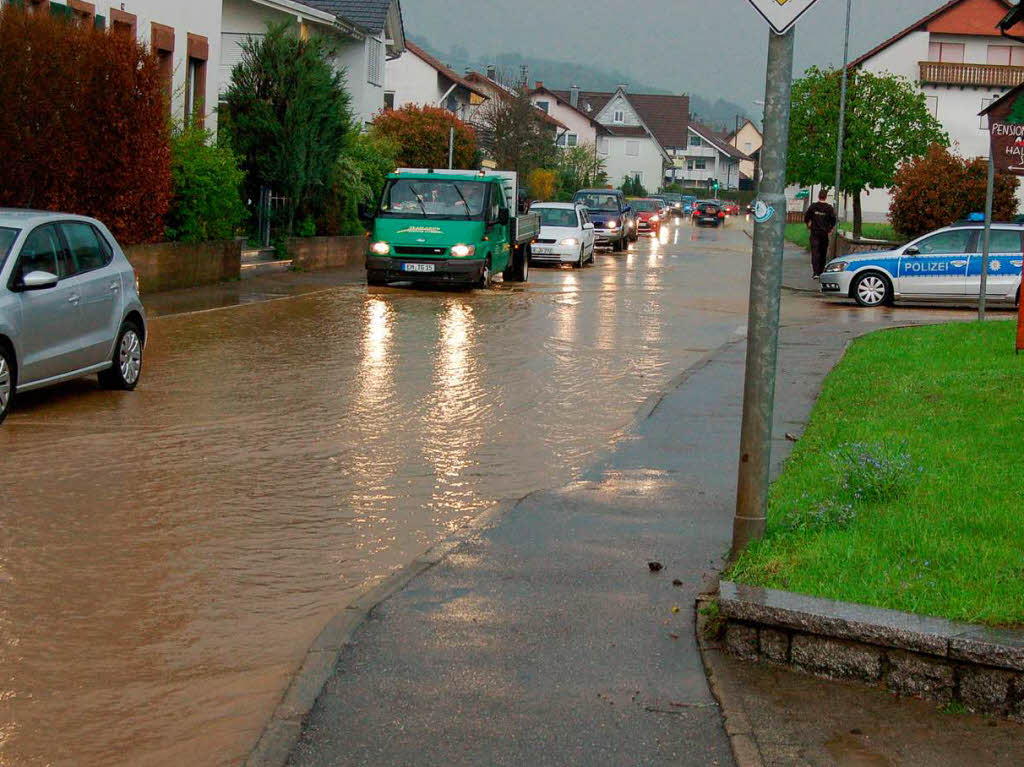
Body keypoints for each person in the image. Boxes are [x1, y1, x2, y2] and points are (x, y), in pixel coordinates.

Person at [804, 190, 837, 279]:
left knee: (815, 252)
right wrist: (829, 228)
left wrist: (808, 224)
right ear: (826, 197)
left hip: (814, 232)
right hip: (824, 233)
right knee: (823, 253)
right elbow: (833, 220)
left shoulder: (813, 207)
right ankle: (821, 271)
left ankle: (815, 273)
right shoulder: (829, 208)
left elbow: (807, 217)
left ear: (818, 196)